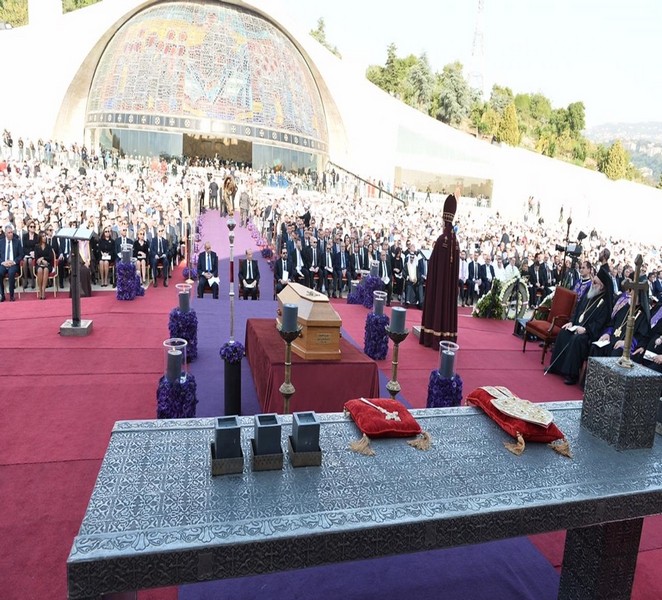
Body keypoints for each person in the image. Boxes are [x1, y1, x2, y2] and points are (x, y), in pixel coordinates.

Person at [548, 266, 613, 385]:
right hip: (577, 326)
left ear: (602, 286)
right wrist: (572, 322)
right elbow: (577, 310)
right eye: (593, 281)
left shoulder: (604, 303)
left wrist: (586, 329)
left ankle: (571, 374)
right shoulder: (589, 293)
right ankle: (556, 367)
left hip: (589, 334)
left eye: (595, 282)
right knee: (564, 332)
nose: (592, 283)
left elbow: (600, 324)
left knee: (577, 339)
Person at [420, 194, 460, 348]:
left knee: (437, 302)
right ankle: (448, 335)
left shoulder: (440, 240)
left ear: (444, 219)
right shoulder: (455, 243)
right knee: (447, 303)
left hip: (439, 285)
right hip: (448, 286)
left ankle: (432, 336)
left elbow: (433, 265)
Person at [590, 275, 650, 358]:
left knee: (617, 353)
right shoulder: (625, 308)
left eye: (631, 291)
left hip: (624, 347)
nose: (629, 293)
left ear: (639, 294)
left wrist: (626, 342)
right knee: (596, 347)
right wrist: (607, 334)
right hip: (611, 340)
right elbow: (612, 324)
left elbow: (641, 337)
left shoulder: (642, 314)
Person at [0, 224, 24, 302]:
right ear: (5, 233)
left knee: (11, 272)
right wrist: (3, 262)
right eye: (9, 233)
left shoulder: (17, 242)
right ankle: (2, 295)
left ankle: (11, 295)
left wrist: (13, 261)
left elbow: (21, 255)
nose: (11, 234)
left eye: (12, 232)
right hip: (4, 264)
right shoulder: (1, 242)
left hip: (13, 264)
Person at [33, 230, 54, 300]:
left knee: (45, 269)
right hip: (39, 264)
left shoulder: (49, 246)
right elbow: (36, 258)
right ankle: (40, 290)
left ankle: (43, 290)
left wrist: (43, 258)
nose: (45, 237)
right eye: (43, 236)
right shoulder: (36, 246)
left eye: (45, 236)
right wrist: (41, 260)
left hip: (48, 264)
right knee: (39, 270)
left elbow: (50, 257)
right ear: (40, 238)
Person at [22, 220, 38, 289]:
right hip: (27, 254)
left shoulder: (37, 236)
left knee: (30, 261)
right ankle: (25, 280)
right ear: (28, 228)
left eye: (34, 226)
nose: (33, 228)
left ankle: (32, 279)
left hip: (35, 254)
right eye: (31, 227)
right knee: (25, 260)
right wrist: (29, 253)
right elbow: (24, 247)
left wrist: (33, 252)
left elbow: (37, 247)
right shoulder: (25, 236)